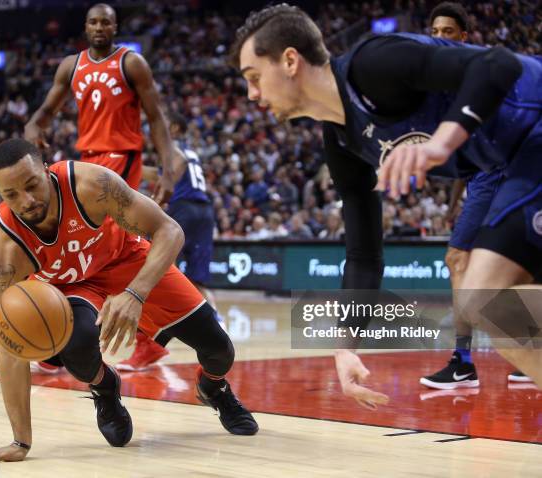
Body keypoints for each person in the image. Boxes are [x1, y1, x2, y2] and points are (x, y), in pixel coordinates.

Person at [230, 4, 542, 407]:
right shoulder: (342, 140)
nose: (252, 94)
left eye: (254, 78)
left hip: (533, 129)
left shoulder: (371, 64)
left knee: (483, 292)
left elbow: (497, 64)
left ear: (290, 60)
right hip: (514, 165)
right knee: (487, 303)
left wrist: (440, 144)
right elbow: (363, 253)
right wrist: (345, 346)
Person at [0, 139, 258, 462]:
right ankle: (105, 386)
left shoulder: (91, 184)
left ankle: (213, 388)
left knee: (219, 349)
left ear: (46, 171)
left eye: (32, 185)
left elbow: (169, 231)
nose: (26, 200)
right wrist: (20, 441)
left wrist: (135, 293)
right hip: (68, 286)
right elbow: (11, 346)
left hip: (125, 261)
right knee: (75, 347)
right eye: (11, 194)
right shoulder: (6, 249)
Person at [24, 2, 176, 374]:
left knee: (110, 248)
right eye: (93, 22)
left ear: (115, 26)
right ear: (86, 27)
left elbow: (156, 116)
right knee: (77, 243)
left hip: (122, 158)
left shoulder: (131, 63)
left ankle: (146, 341)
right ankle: (48, 336)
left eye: (105, 22)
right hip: (88, 161)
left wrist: (169, 164)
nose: (99, 27)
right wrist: (33, 130)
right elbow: (45, 111)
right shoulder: (71, 65)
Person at [421, 1, 530, 388]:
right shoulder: (439, 84)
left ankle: (463, 361)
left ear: (464, 37)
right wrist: (454, 203)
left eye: (448, 32)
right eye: (434, 32)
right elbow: (462, 150)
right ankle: (526, 352)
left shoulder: (481, 69)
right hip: (485, 177)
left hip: (503, 172)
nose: (440, 38)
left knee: (458, 259)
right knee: (510, 267)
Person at [116, 113, 222, 371]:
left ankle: (149, 344)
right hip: (204, 212)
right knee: (196, 279)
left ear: (172, 127)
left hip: (183, 209)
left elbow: (175, 163)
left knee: (158, 272)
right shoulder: (189, 150)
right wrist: (130, 170)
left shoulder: (173, 147)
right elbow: (158, 171)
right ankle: (215, 324)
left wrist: (164, 188)